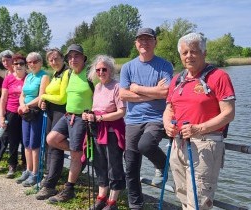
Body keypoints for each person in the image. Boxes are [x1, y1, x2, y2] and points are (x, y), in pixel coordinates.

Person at [163, 32, 235, 210]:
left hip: (205, 144)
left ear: (204, 53)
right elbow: (169, 109)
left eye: (194, 51)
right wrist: (167, 125)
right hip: (178, 143)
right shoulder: (177, 80)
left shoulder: (219, 77)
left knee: (198, 202)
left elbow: (229, 113)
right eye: (185, 52)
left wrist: (198, 128)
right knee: (182, 195)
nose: (189, 56)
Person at [119, 28, 173, 209]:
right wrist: (152, 93)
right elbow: (123, 95)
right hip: (133, 120)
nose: (144, 43)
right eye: (140, 40)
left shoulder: (165, 66)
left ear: (155, 42)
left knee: (146, 145)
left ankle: (164, 166)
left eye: (148, 39)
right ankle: (136, 205)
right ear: (136, 44)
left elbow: (166, 92)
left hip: (157, 118)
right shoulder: (127, 67)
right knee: (131, 166)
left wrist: (136, 87)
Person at [46, 44, 93, 203]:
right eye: (70, 57)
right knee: (52, 139)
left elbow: (102, 92)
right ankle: (79, 154)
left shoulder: (91, 74)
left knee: (74, 154)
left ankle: (68, 189)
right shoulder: (70, 73)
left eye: (77, 56)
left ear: (83, 57)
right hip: (68, 116)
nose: (73, 59)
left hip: (82, 118)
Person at [82, 55, 126, 210]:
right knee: (99, 163)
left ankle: (112, 202)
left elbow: (121, 112)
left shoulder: (117, 87)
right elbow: (96, 109)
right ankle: (101, 197)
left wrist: (99, 118)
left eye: (104, 69)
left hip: (112, 131)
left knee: (113, 165)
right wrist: (88, 115)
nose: (101, 72)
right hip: (97, 130)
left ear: (111, 70)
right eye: (98, 69)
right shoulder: (98, 87)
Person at [35, 48, 69, 200]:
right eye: (51, 60)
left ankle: (50, 185)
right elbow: (52, 95)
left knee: (55, 146)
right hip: (51, 112)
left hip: (61, 111)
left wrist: (44, 96)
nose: (54, 62)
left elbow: (62, 98)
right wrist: (44, 101)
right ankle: (49, 176)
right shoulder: (55, 74)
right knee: (48, 145)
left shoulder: (67, 73)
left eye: (56, 58)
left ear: (63, 58)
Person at [16, 52, 49, 187]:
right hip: (25, 113)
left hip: (36, 113)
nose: (32, 64)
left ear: (41, 62)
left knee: (35, 144)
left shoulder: (44, 76)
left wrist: (27, 106)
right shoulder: (28, 76)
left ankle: (36, 173)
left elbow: (41, 95)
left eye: (35, 61)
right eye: (29, 62)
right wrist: (22, 105)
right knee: (26, 142)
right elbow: (22, 94)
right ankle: (28, 170)